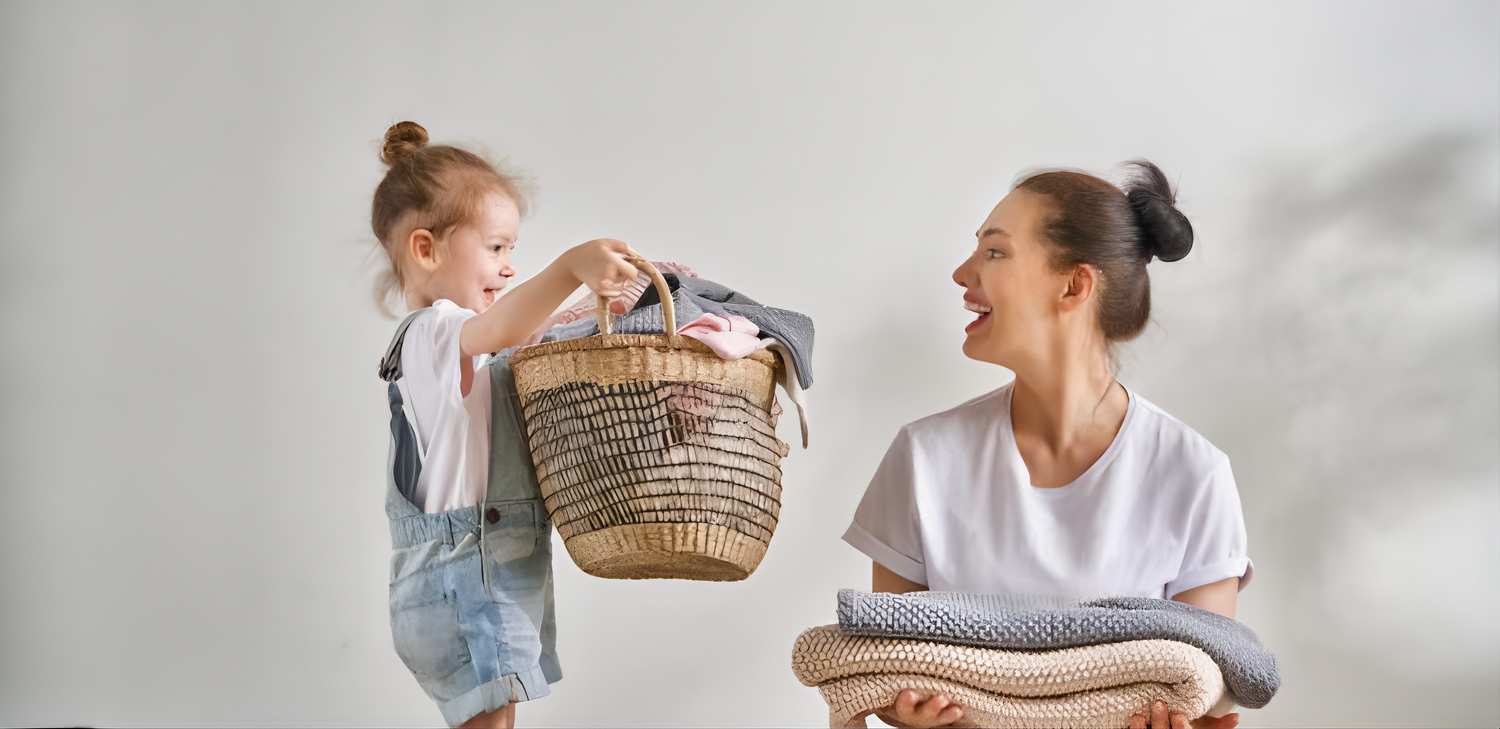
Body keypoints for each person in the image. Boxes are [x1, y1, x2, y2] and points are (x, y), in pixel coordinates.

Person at [842, 161, 1250, 729]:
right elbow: (886, 664)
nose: (961, 273)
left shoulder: (1193, 473)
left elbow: (1204, 691)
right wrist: (906, 714)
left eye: (995, 252)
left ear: (1074, 285)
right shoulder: (923, 457)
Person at [369, 121, 639, 728]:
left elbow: (516, 337)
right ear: (425, 250)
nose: (510, 267)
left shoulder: (453, 347)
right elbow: (503, 328)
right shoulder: (434, 331)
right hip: (467, 575)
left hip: (477, 572)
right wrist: (570, 266)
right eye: (496, 248)